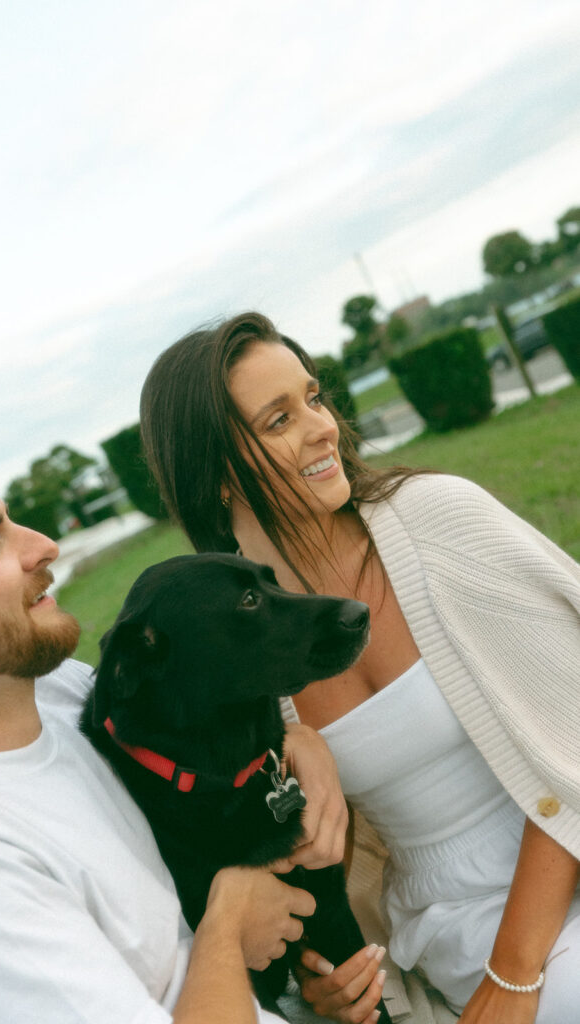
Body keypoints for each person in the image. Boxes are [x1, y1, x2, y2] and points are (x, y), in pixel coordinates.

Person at [139, 311, 580, 1024]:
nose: (323, 427)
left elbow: (572, 741)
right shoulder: (243, 665)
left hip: (557, 853)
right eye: (278, 419)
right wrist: (322, 979)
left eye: (314, 398)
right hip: (452, 919)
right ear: (216, 475)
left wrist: (516, 975)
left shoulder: (439, 519)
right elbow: (300, 855)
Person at [0, 431, 388, 1024]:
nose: (46, 546)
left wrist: (302, 744)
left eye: (11, 521)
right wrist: (228, 923)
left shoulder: (60, 692)